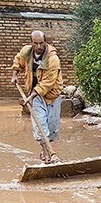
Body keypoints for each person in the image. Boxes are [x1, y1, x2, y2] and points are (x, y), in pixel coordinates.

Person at [10, 30, 64, 163]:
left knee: (52, 129)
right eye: (36, 43)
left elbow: (48, 83)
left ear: (45, 42)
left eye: (41, 43)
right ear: (31, 43)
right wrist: (14, 75)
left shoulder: (53, 59)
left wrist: (31, 96)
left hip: (52, 95)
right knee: (40, 125)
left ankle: (47, 150)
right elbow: (18, 60)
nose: (39, 47)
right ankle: (48, 154)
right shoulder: (27, 52)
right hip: (36, 96)